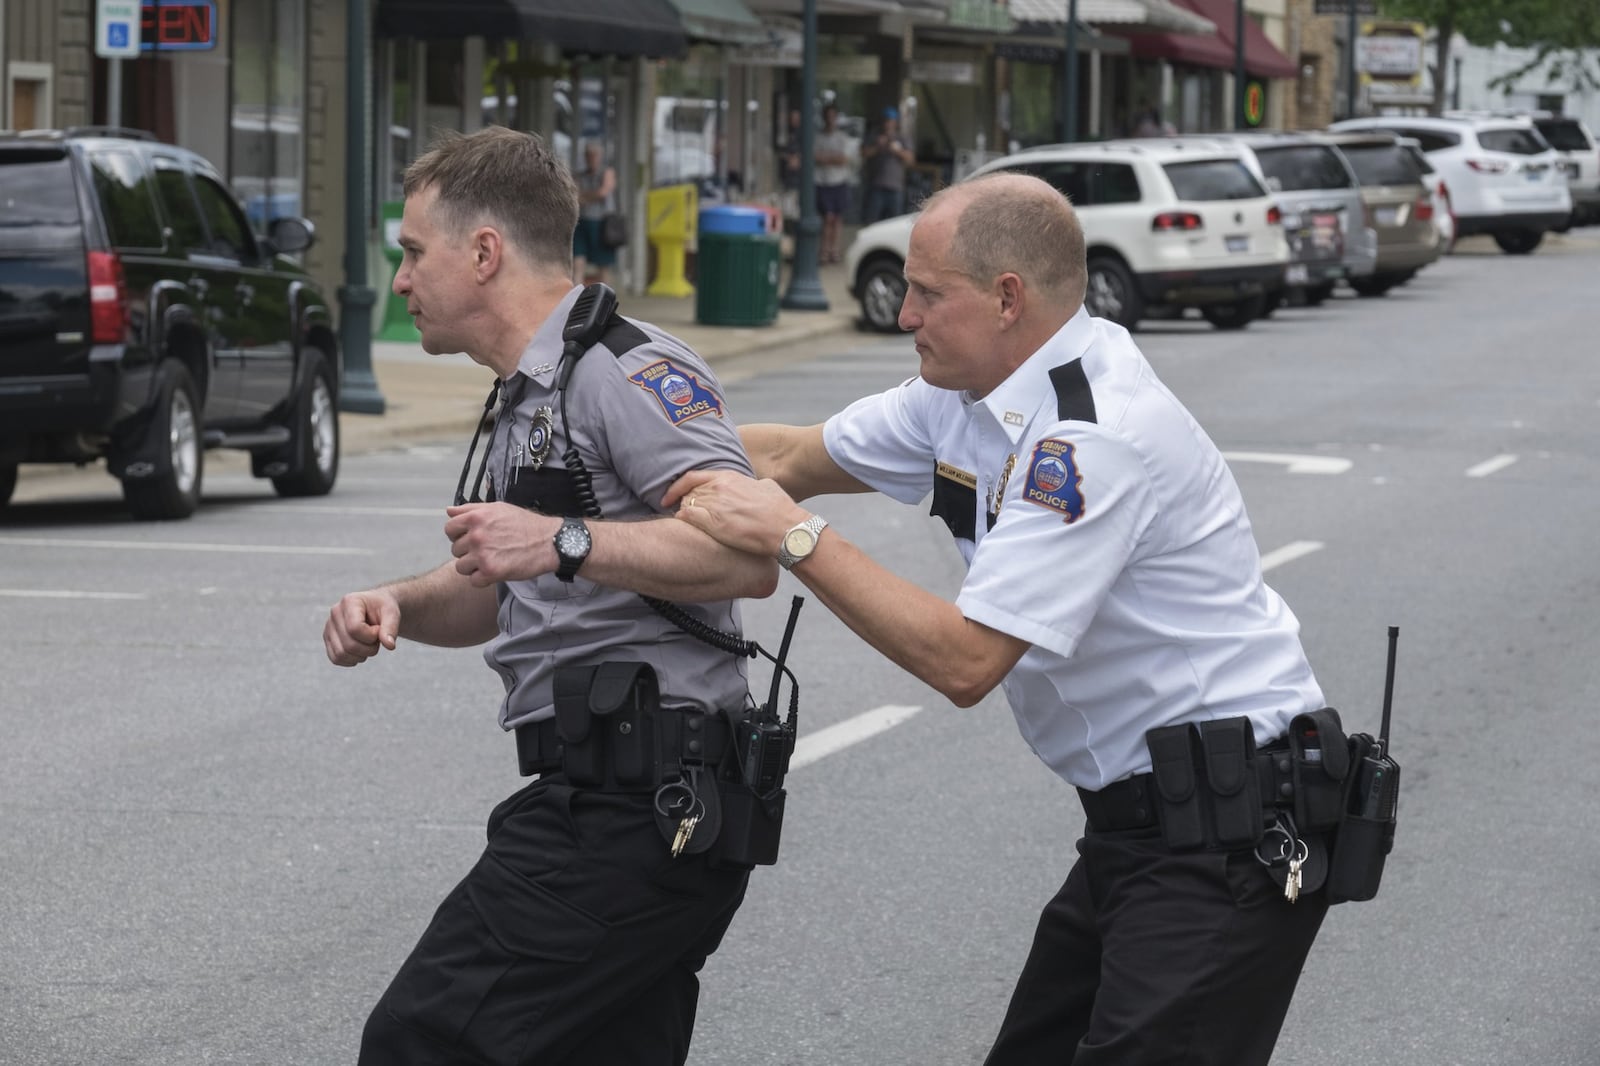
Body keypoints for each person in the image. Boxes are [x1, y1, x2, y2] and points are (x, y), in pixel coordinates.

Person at [665, 172, 1334, 1065]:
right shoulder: (964, 392)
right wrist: (621, 446)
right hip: (1143, 828)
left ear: (1007, 298)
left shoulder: (1091, 434)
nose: (904, 314)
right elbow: (787, 454)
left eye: (928, 293)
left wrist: (792, 535)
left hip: (1229, 836)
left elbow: (968, 661)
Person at [323, 126, 779, 1066]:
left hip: (640, 810)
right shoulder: (531, 391)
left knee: (422, 1040)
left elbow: (748, 559)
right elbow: (509, 585)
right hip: (609, 799)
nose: (400, 279)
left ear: (483, 252)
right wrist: (402, 602)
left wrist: (562, 540)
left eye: (412, 252)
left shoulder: (627, 367)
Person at [571, 139, 618, 285]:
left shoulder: (607, 172)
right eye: (589, 155)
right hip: (582, 221)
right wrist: (591, 195)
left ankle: (604, 302)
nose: (591, 158)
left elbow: (603, 192)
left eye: (595, 155)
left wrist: (585, 196)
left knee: (603, 265)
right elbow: (574, 196)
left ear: (600, 156)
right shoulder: (580, 175)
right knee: (577, 262)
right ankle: (576, 298)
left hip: (601, 224)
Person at [859, 107, 914, 224]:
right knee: (872, 221)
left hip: (896, 188)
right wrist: (878, 146)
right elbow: (863, 153)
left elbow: (910, 160)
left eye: (891, 121)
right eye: (886, 121)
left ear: (895, 122)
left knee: (894, 222)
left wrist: (897, 151)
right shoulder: (875, 135)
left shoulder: (902, 137)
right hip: (877, 186)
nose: (888, 124)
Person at [813, 103, 853, 263]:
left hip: (839, 181)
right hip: (823, 182)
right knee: (827, 218)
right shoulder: (818, 137)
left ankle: (834, 251)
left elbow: (843, 159)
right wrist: (832, 158)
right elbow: (814, 157)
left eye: (833, 116)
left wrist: (826, 158)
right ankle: (824, 250)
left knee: (837, 218)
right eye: (827, 116)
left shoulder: (842, 137)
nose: (830, 120)